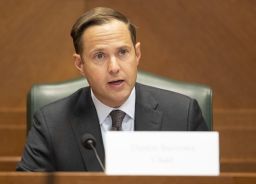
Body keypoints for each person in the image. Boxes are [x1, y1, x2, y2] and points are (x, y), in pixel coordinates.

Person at [16, 7, 208, 172]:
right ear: (80, 64)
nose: (114, 67)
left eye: (123, 52)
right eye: (99, 56)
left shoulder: (184, 115)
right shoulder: (51, 124)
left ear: (137, 54)